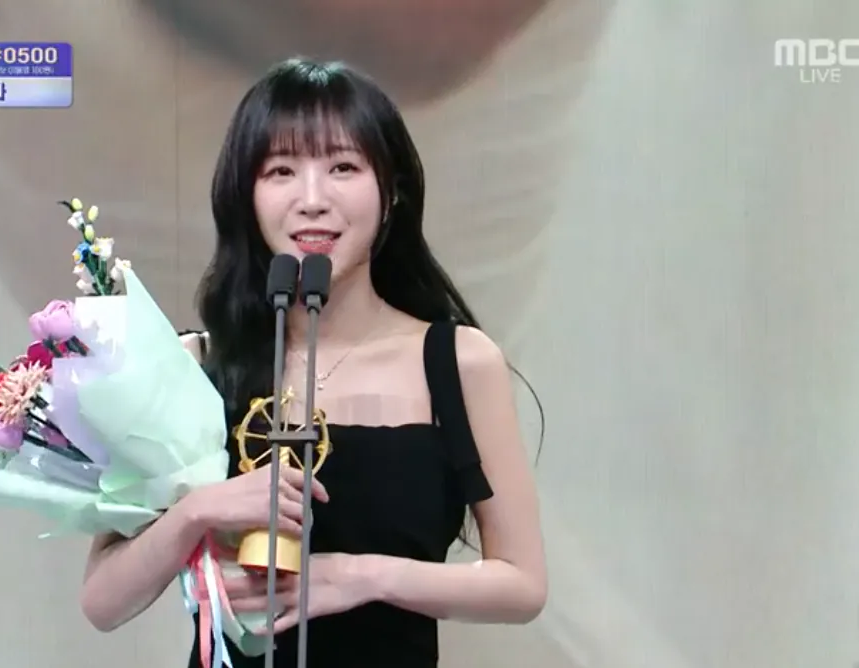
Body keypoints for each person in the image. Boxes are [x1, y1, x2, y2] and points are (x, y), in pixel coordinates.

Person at [79, 58, 546, 667]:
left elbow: (522, 584)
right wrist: (195, 512)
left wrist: (360, 576)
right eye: (281, 171)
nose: (312, 200)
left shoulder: (457, 363)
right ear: (246, 197)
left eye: (343, 167)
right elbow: (103, 601)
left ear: (391, 191)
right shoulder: (194, 365)